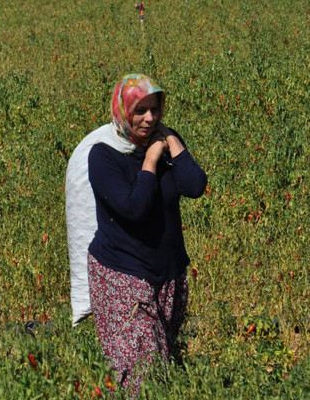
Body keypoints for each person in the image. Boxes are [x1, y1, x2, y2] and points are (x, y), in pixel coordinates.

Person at [81, 74, 206, 397]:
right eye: (140, 111)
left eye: (155, 109)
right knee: (139, 371)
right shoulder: (105, 156)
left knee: (158, 362)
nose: (149, 118)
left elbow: (195, 186)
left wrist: (172, 142)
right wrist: (150, 160)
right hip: (122, 274)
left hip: (168, 273)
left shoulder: (164, 142)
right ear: (123, 111)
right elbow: (134, 208)